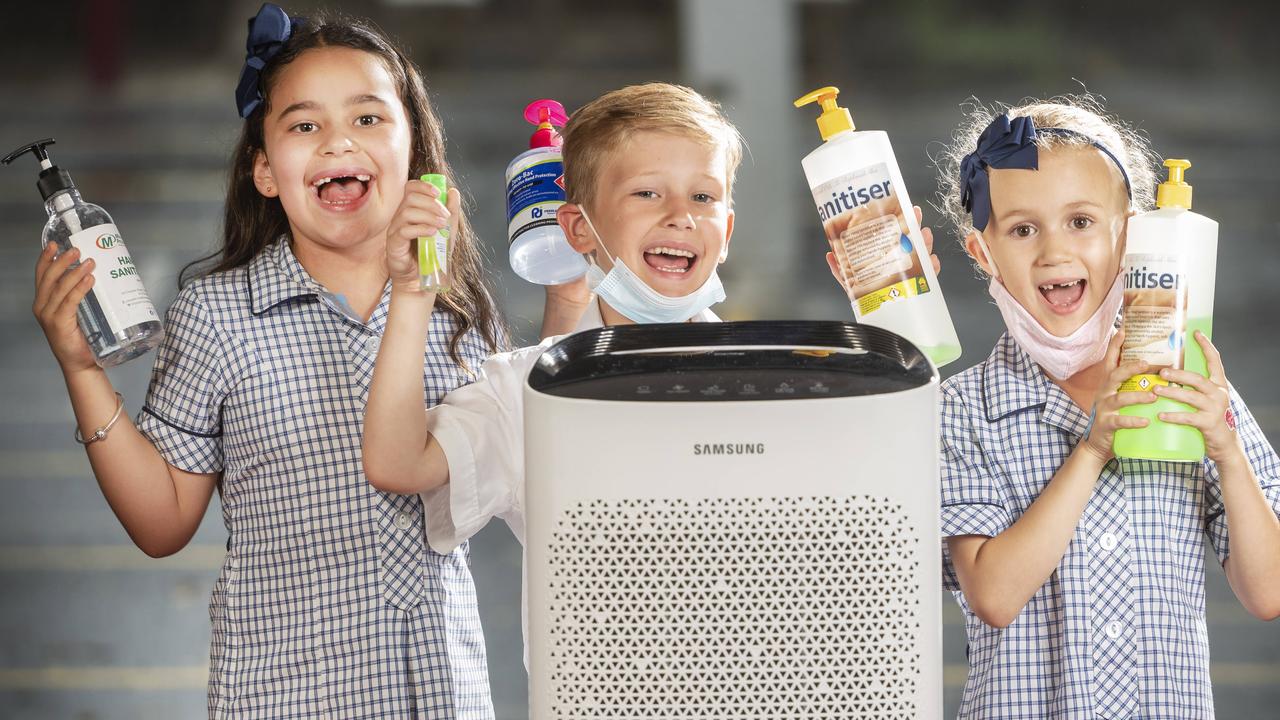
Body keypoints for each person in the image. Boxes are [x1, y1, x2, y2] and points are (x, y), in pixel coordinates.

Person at [30, 4, 503, 717]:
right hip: (285, 697)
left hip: (442, 695)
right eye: (305, 125)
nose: (338, 141)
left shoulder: (457, 312)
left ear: (415, 153)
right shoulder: (217, 316)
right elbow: (162, 522)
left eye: (369, 118)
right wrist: (82, 370)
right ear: (265, 173)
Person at [932, 96, 1280, 718]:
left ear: (1134, 236)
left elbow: (1268, 591)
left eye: (1081, 221)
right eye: (1021, 228)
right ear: (982, 253)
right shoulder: (962, 411)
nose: (1054, 252)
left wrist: (1225, 450)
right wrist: (1094, 448)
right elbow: (993, 594)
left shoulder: (1193, 392)